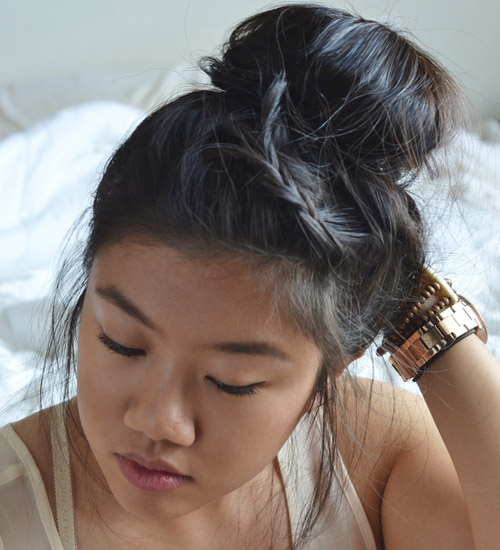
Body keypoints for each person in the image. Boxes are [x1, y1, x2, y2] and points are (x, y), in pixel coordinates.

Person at [1, 4, 499, 549]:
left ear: (332, 371)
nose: (158, 421)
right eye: (122, 344)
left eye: (231, 381)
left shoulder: (376, 459)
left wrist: (424, 316)